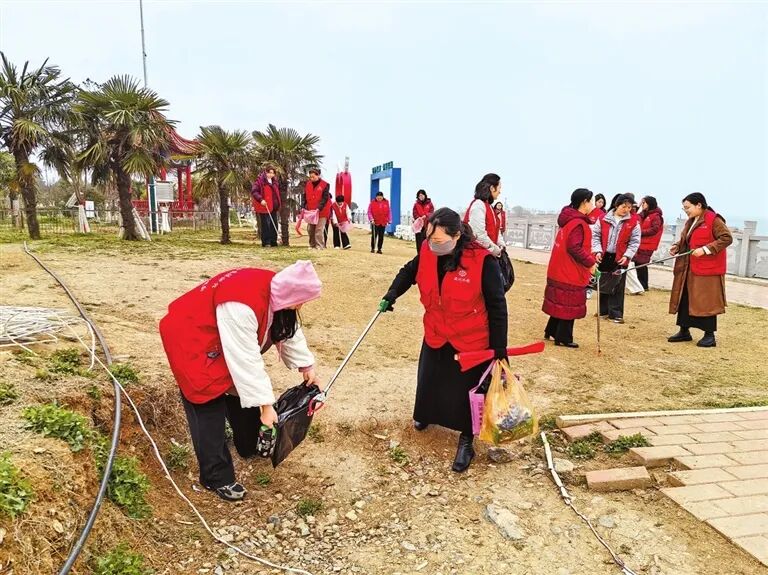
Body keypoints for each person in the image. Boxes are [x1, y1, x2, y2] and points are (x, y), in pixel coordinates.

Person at [159, 262, 323, 501]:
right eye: (301, 301)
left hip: (221, 336)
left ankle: (248, 444)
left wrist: (306, 365)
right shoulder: (241, 304)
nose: (300, 306)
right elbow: (245, 360)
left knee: (240, 393)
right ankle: (216, 476)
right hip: (191, 337)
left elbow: (287, 327)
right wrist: (266, 406)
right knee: (207, 400)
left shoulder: (281, 289)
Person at [380, 208, 508, 473]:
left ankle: (466, 440)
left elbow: (497, 307)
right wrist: (392, 294)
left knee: (466, 391)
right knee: (430, 378)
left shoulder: (483, 261)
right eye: (429, 238)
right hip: (437, 331)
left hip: (470, 338)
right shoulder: (428, 251)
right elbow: (408, 272)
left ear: (457, 235)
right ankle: (425, 415)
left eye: (438, 240)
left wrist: (499, 350)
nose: (432, 245)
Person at [667, 193, 732, 348]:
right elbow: (687, 240)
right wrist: (677, 246)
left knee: (706, 301)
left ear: (699, 205)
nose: (686, 211)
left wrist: (705, 249)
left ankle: (709, 335)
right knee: (685, 298)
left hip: (707, 270)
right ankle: (684, 330)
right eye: (684, 208)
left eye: (687, 207)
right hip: (688, 268)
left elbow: (726, 238)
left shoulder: (714, 220)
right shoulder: (691, 221)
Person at [542, 189, 597, 348]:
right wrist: (590, 262)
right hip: (569, 270)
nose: (592, 205)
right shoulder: (578, 223)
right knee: (569, 303)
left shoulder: (568, 220)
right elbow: (575, 248)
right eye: (591, 201)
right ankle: (563, 337)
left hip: (559, 268)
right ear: (584, 202)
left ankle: (552, 330)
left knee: (560, 302)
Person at [591, 194, 641, 323]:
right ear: (616, 205)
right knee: (604, 282)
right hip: (604, 255)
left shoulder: (633, 222)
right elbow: (595, 235)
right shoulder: (603, 218)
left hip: (621, 257)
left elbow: (635, 241)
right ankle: (603, 311)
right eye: (624, 206)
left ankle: (616, 313)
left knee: (618, 284)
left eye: (629, 207)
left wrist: (627, 255)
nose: (626, 210)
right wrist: (597, 250)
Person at [464, 173, 505, 257]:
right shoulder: (478, 205)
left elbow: (496, 229)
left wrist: (501, 244)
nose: (500, 192)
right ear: (492, 188)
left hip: (487, 253)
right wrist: (495, 249)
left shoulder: (489, 206)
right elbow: (478, 234)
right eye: (499, 188)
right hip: (476, 255)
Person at [634, 196, 664, 291]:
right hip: (640, 243)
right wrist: (638, 206)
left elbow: (655, 229)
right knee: (638, 264)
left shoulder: (656, 216)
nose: (642, 205)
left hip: (648, 244)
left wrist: (640, 232)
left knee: (641, 264)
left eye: (644, 203)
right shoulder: (643, 214)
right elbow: (633, 216)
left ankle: (643, 285)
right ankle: (640, 285)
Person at [251, 166, 281, 248]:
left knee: (274, 224)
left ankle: (273, 241)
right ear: (266, 172)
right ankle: (266, 242)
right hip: (264, 206)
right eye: (269, 173)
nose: (271, 175)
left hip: (273, 206)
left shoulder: (275, 182)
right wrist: (261, 199)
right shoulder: (260, 181)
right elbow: (254, 191)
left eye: (272, 173)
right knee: (266, 224)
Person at [303, 168, 331, 249]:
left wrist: (319, 208)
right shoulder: (308, 184)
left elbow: (325, 198)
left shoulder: (325, 185)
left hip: (322, 211)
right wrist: (303, 206)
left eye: (313, 177)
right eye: (310, 177)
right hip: (311, 211)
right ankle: (312, 245)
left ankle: (319, 245)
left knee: (319, 229)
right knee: (310, 229)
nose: (311, 178)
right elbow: (305, 196)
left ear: (318, 175)